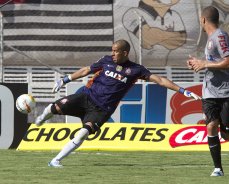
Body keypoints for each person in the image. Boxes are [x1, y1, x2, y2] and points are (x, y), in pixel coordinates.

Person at [35, 39, 201, 168]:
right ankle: (42, 118)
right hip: (85, 97)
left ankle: (56, 161)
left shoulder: (136, 70)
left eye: (116, 51)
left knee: (83, 133)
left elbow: (159, 80)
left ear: (125, 53)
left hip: (101, 109)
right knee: (53, 107)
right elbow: (86, 70)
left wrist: (183, 91)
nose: (113, 54)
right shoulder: (106, 60)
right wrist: (65, 79)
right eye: (112, 51)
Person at [187, 6, 229, 177]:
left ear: (203, 20)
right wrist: (198, 63)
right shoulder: (210, 39)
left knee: (226, 133)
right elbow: (212, 62)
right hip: (210, 92)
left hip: (228, 93)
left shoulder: (219, 36)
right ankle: (218, 169)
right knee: (211, 126)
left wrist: (204, 64)